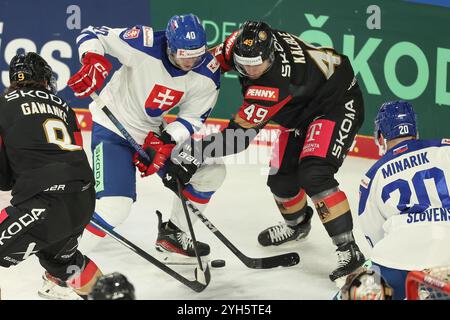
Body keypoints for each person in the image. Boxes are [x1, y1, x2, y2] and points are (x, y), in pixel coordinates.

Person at [171, 20, 367, 283]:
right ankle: (298, 226)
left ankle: (349, 250)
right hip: (300, 109)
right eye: (243, 64)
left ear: (271, 56)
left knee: (314, 173)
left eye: (257, 65)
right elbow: (214, 59)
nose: (250, 70)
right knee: (281, 180)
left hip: (335, 103)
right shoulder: (246, 40)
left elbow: (237, 138)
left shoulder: (272, 85)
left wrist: (195, 151)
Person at [67, 14, 224, 263]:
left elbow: (193, 117)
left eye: (196, 55)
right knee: (115, 206)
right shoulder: (144, 42)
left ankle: (174, 234)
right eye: (184, 56)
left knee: (211, 171)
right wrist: (92, 59)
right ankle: (62, 267)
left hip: (153, 133)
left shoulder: (207, 72)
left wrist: (166, 141)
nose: (190, 62)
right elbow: (93, 33)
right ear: (170, 46)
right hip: (113, 129)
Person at [0, 52, 103, 300]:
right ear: (45, 79)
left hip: (44, 202)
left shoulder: (3, 104)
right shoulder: (64, 107)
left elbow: (3, 178)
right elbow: (77, 151)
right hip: (84, 198)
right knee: (64, 263)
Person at [358, 100, 450, 299]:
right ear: (415, 130)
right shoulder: (445, 149)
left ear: (381, 136)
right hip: (446, 252)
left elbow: (374, 236)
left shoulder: (373, 176)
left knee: (352, 292)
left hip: (397, 258)